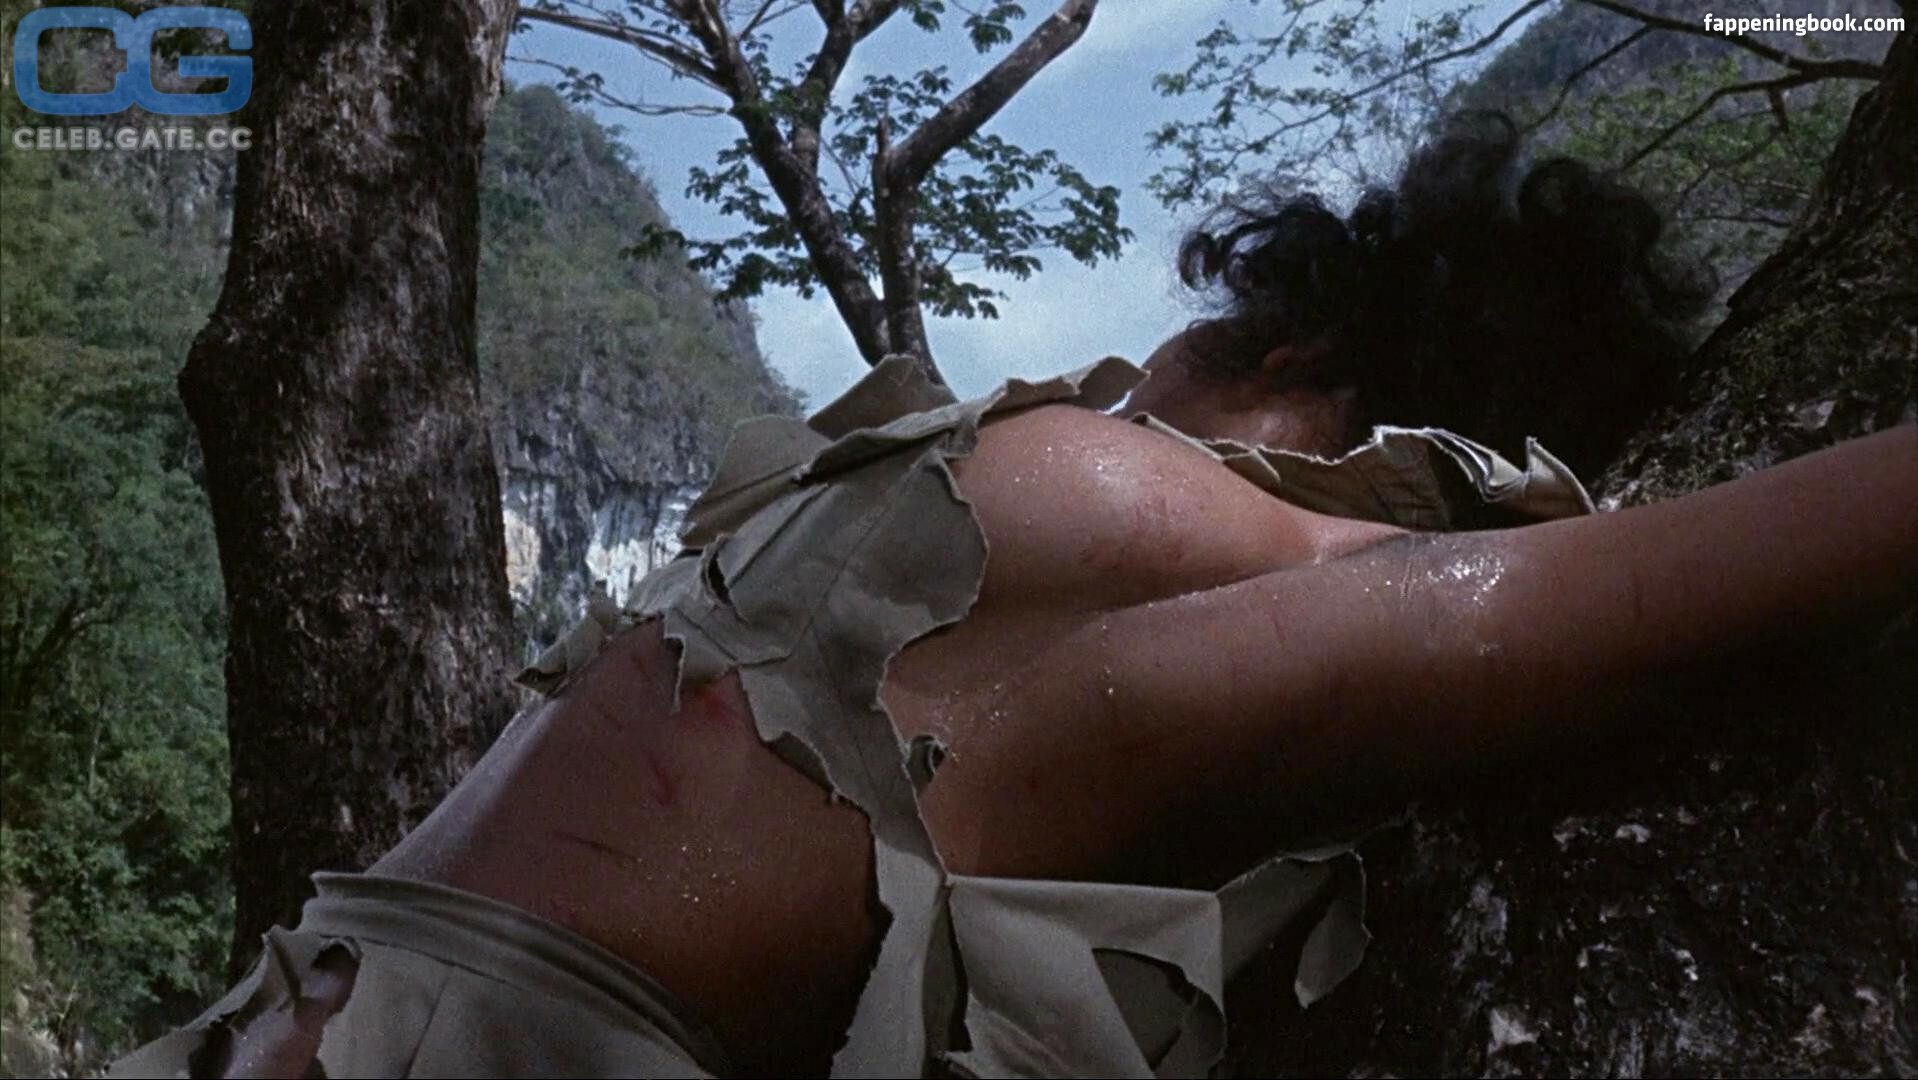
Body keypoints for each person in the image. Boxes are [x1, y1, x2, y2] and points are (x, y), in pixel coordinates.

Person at [114, 114, 1918, 1079]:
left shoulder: (1074, 495)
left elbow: (1528, 598)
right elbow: (1575, 600)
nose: (1134, 370)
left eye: (1188, 335)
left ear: (1296, 354)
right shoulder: (1115, 527)